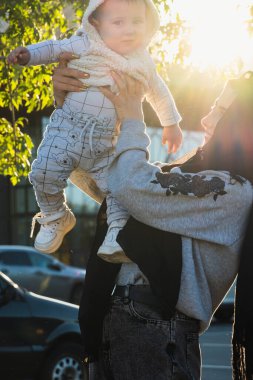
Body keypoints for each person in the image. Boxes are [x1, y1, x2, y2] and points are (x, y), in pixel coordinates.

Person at [52, 57, 253, 379]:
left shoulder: (233, 191)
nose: (205, 118)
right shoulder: (198, 183)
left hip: (155, 331)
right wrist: (71, 106)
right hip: (125, 324)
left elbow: (129, 183)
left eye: (218, 109)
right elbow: (106, 178)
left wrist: (133, 117)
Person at [7, 0, 184, 263]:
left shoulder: (142, 61)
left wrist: (171, 123)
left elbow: (158, 91)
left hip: (105, 142)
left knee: (119, 189)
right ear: (95, 22)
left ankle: (117, 235)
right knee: (43, 172)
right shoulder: (84, 44)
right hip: (68, 129)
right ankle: (56, 216)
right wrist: (28, 55)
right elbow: (55, 48)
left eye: (137, 22)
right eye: (118, 22)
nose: (129, 30)